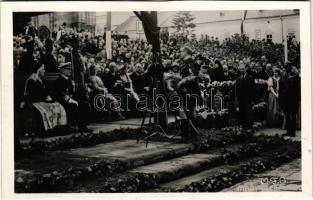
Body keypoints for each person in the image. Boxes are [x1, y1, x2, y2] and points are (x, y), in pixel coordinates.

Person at [53, 62, 92, 132]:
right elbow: (60, 94)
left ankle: (83, 125)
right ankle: (80, 126)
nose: (70, 70)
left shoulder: (70, 80)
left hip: (72, 99)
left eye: (70, 69)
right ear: (62, 70)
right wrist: (71, 100)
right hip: (63, 102)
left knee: (84, 103)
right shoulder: (58, 81)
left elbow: (74, 92)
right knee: (75, 105)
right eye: (68, 69)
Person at [279, 66, 300, 137]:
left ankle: (292, 132)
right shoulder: (283, 78)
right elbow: (281, 89)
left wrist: (297, 99)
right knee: (287, 115)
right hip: (285, 100)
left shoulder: (296, 78)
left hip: (293, 100)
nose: (284, 71)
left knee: (293, 115)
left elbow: (297, 90)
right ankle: (289, 131)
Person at [235, 63, 255, 131]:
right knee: (242, 113)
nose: (241, 70)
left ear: (245, 69)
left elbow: (252, 89)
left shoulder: (250, 78)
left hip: (248, 99)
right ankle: (244, 128)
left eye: (242, 69)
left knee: (248, 113)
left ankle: (249, 128)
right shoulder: (238, 78)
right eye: (240, 69)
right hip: (240, 99)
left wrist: (252, 99)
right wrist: (237, 99)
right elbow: (236, 90)